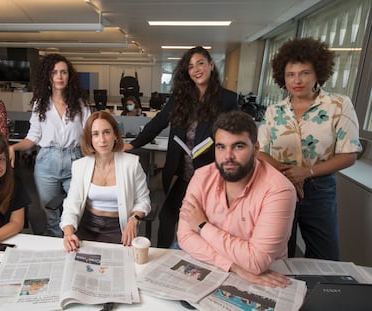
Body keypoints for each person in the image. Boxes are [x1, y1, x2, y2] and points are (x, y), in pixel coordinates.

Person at [257, 37, 362, 260]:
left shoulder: (339, 105)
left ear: (317, 73)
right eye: (290, 74)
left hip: (319, 189)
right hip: (279, 186)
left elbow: (349, 154)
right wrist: (287, 172)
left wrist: (306, 172)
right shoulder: (274, 111)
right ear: (282, 77)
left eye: (304, 72)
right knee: (279, 254)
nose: (297, 80)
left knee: (326, 256)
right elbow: (260, 150)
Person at [124, 46, 239, 248]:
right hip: (181, 171)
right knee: (168, 217)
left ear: (211, 65)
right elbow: (158, 122)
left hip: (209, 174)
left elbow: (236, 132)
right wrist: (133, 143)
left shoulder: (227, 99)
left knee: (203, 221)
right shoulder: (180, 97)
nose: (196, 69)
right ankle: (162, 255)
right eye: (190, 66)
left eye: (200, 63)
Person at [177, 111, 296, 287]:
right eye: (221, 147)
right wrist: (233, 266)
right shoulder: (202, 176)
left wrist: (202, 226)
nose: (228, 156)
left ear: (256, 149)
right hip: (218, 268)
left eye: (238, 146)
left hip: (265, 278)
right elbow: (185, 236)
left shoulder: (279, 191)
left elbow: (256, 262)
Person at [9, 54, 91, 237]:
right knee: (50, 212)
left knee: (77, 207)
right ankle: (56, 241)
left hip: (75, 159)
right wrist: (13, 148)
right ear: (48, 76)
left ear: (69, 76)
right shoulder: (40, 105)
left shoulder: (81, 104)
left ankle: (74, 240)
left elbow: (87, 135)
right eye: (54, 73)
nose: (59, 77)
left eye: (63, 72)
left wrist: (95, 159)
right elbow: (33, 137)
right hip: (47, 161)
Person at [60, 111, 151, 250]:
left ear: (115, 135)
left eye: (107, 132)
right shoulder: (80, 166)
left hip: (119, 228)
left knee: (116, 267)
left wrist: (134, 219)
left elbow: (143, 200)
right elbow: (72, 204)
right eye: (95, 134)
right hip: (87, 226)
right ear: (90, 138)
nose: (102, 139)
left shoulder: (131, 164)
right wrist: (68, 233)